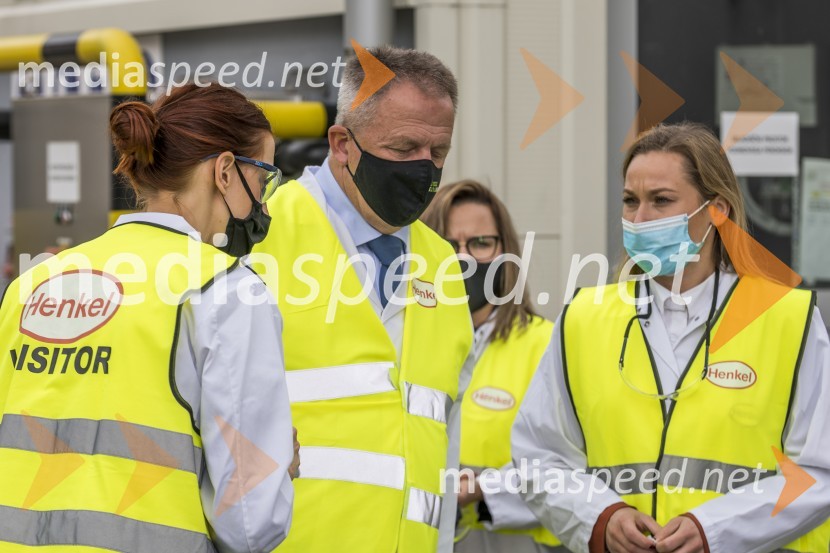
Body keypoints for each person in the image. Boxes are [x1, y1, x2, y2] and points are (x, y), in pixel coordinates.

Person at [0, 83, 298, 553]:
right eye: (262, 182)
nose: (263, 206)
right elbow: (250, 523)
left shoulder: (32, 285)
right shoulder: (227, 289)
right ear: (224, 171)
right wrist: (277, 469)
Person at [511, 122, 830, 553]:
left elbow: (818, 470)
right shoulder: (584, 318)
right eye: (630, 201)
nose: (640, 219)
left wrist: (714, 529)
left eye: (660, 201)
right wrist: (601, 517)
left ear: (717, 211)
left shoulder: (787, 318)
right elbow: (538, 456)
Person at [250, 46, 473, 553]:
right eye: (404, 148)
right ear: (341, 144)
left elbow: (443, 442)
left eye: (437, 153)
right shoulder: (260, 235)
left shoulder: (442, 265)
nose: (424, 169)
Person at [421, 180, 566, 553]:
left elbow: (566, 463)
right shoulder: (407, 342)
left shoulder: (547, 344)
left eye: (481, 243)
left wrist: (480, 489)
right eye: (450, 246)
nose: (465, 258)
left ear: (506, 253)